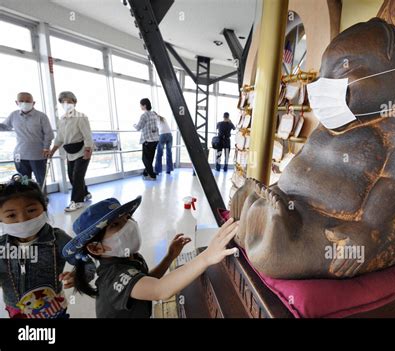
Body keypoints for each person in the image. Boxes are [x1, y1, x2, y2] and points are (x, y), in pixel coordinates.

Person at [63, 196, 239, 318]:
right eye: (116, 224)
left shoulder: (129, 257)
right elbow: (159, 290)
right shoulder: (113, 277)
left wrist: (169, 257)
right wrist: (206, 257)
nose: (129, 225)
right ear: (96, 247)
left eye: (127, 218)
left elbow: (147, 281)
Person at [0, 175, 92, 318]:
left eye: (31, 210)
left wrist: (79, 275)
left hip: (53, 307)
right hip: (16, 309)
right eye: (11, 215)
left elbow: (86, 261)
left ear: (44, 207)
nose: (23, 219)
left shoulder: (58, 239)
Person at [49, 91, 93, 212]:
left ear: (75, 102)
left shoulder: (81, 117)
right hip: (70, 151)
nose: (66, 104)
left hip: (82, 150)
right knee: (72, 176)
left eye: (69, 101)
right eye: (64, 102)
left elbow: (87, 135)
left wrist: (88, 150)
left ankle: (77, 201)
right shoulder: (62, 120)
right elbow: (59, 138)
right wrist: (52, 151)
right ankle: (85, 193)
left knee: (78, 175)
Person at [0, 92, 54, 189]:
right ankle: (28, 199)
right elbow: (5, 127)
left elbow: (49, 134)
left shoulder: (41, 116)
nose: (24, 103)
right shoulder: (13, 115)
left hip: (38, 155)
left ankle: (42, 200)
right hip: (20, 155)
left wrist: (46, 148)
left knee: (41, 181)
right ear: (17, 102)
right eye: (21, 101)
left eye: (28, 101)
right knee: (24, 182)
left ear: (33, 103)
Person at [134, 98, 159, 181]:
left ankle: (152, 176)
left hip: (148, 140)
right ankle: (146, 173)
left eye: (141, 105)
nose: (140, 106)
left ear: (144, 105)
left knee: (145, 159)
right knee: (150, 159)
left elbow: (138, 127)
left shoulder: (144, 115)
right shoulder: (154, 114)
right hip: (155, 139)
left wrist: (134, 125)